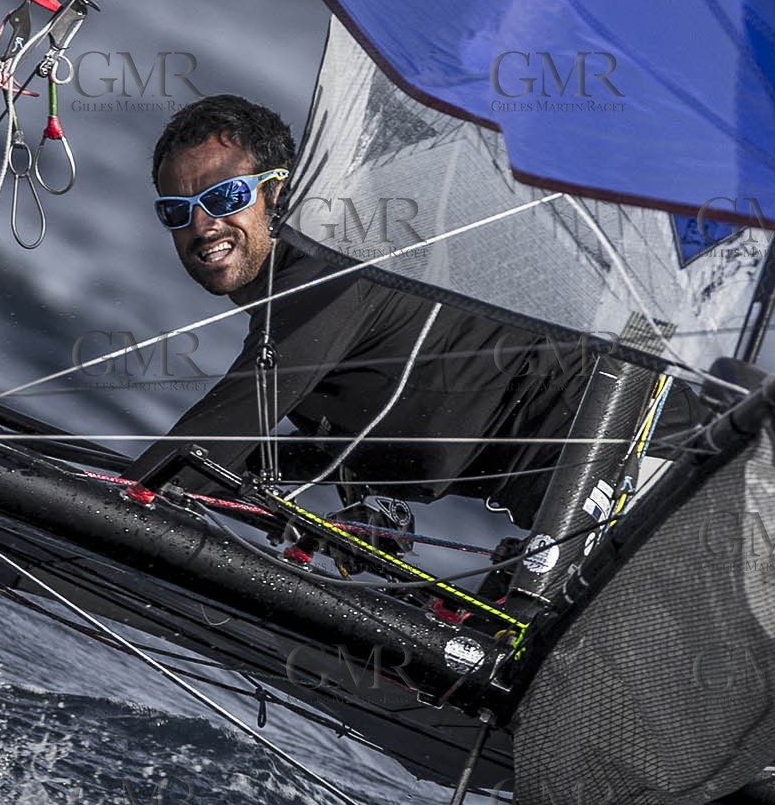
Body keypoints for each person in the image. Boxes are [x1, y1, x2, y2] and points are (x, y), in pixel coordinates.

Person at [124, 95, 641, 526]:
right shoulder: (299, 300)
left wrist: (126, 501)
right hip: (551, 497)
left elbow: (234, 421)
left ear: (278, 192)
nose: (202, 224)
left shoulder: (336, 265)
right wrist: (252, 469)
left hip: (635, 440)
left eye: (225, 196)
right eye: (177, 211)